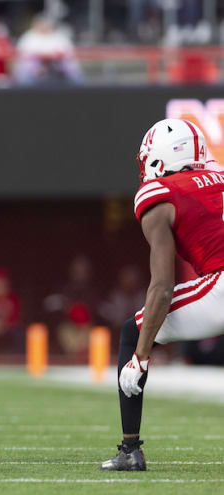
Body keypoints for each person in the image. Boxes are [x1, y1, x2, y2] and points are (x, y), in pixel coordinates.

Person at [101, 118, 224, 471]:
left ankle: (130, 449)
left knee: (133, 330)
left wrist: (141, 357)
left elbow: (163, 286)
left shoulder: (161, 195)